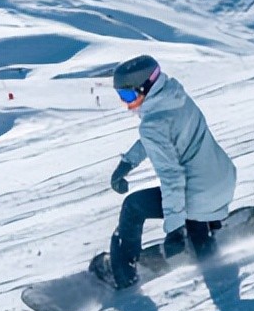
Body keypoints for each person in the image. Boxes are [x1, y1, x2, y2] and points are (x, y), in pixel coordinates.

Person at [92, 55, 237, 290]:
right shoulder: (175, 97)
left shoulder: (152, 124)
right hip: (223, 182)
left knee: (133, 206)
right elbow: (163, 138)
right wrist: (127, 163)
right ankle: (206, 247)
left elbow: (172, 178)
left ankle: (123, 274)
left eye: (127, 95)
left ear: (144, 87)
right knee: (194, 199)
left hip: (199, 195)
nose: (125, 103)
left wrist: (174, 231)